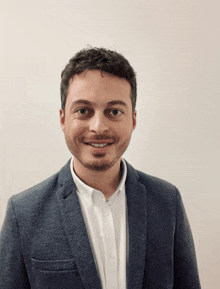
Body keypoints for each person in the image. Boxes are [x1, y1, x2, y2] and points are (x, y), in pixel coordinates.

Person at [0, 47, 201, 289]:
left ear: (133, 120)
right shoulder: (23, 213)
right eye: (83, 111)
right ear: (63, 119)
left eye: (114, 112)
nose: (98, 127)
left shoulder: (167, 202)